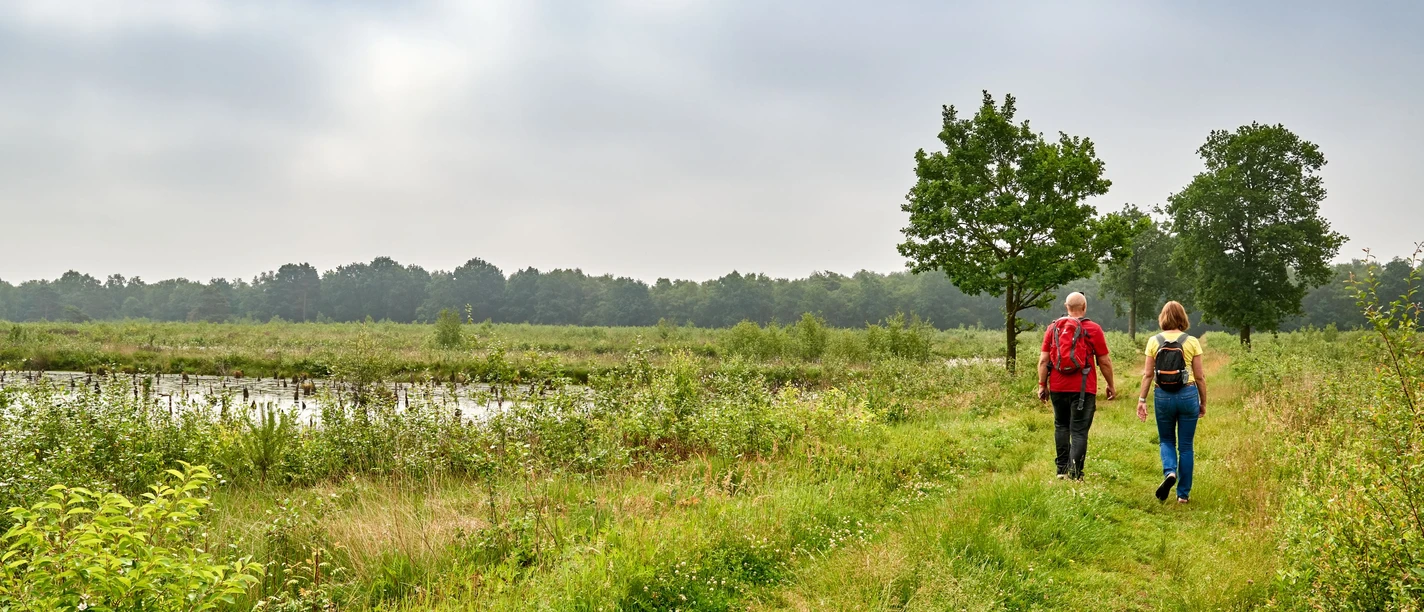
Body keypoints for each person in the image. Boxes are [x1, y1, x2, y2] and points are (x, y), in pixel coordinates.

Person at [1135, 301, 1208, 504]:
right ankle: (1183, 495)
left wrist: (1142, 400)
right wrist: (1203, 401)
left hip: (1163, 395)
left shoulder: (1154, 341)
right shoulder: (1192, 341)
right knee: (1186, 446)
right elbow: (1200, 377)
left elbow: (1148, 374)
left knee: (1166, 440)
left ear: (1163, 318)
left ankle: (1170, 472)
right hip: (1188, 394)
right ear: (1183, 318)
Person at [1038, 292, 1115, 480]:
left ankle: (1061, 471)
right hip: (1083, 388)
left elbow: (1043, 360)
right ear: (1085, 307)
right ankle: (1075, 474)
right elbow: (1104, 361)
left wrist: (1042, 385)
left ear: (1067, 307)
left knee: (1061, 426)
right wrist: (1110, 384)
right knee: (1079, 431)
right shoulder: (1093, 329)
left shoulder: (1053, 328)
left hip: (1057, 386)